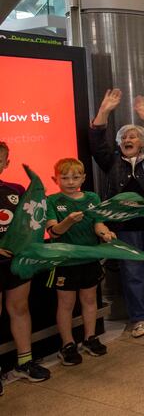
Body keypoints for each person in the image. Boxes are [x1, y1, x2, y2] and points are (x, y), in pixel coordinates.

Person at [89, 89, 144, 337]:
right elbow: (95, 142)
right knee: (132, 272)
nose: (128, 138)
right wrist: (104, 110)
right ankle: (138, 318)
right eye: (124, 136)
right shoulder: (112, 161)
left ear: (142, 142)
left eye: (134, 136)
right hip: (125, 227)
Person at [45, 158, 115, 365]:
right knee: (66, 304)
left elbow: (98, 223)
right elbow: (53, 232)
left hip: (89, 260)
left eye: (75, 177)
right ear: (55, 179)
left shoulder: (92, 197)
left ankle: (90, 338)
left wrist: (105, 234)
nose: (70, 181)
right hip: (65, 262)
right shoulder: (52, 201)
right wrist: (67, 222)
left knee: (90, 299)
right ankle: (67, 344)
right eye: (64, 177)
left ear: (83, 178)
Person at [0, 142, 50, 390]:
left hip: (16, 263)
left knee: (19, 308)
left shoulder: (17, 190)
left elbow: (32, 223)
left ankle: (24, 363)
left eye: (0, 160)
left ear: (6, 163)